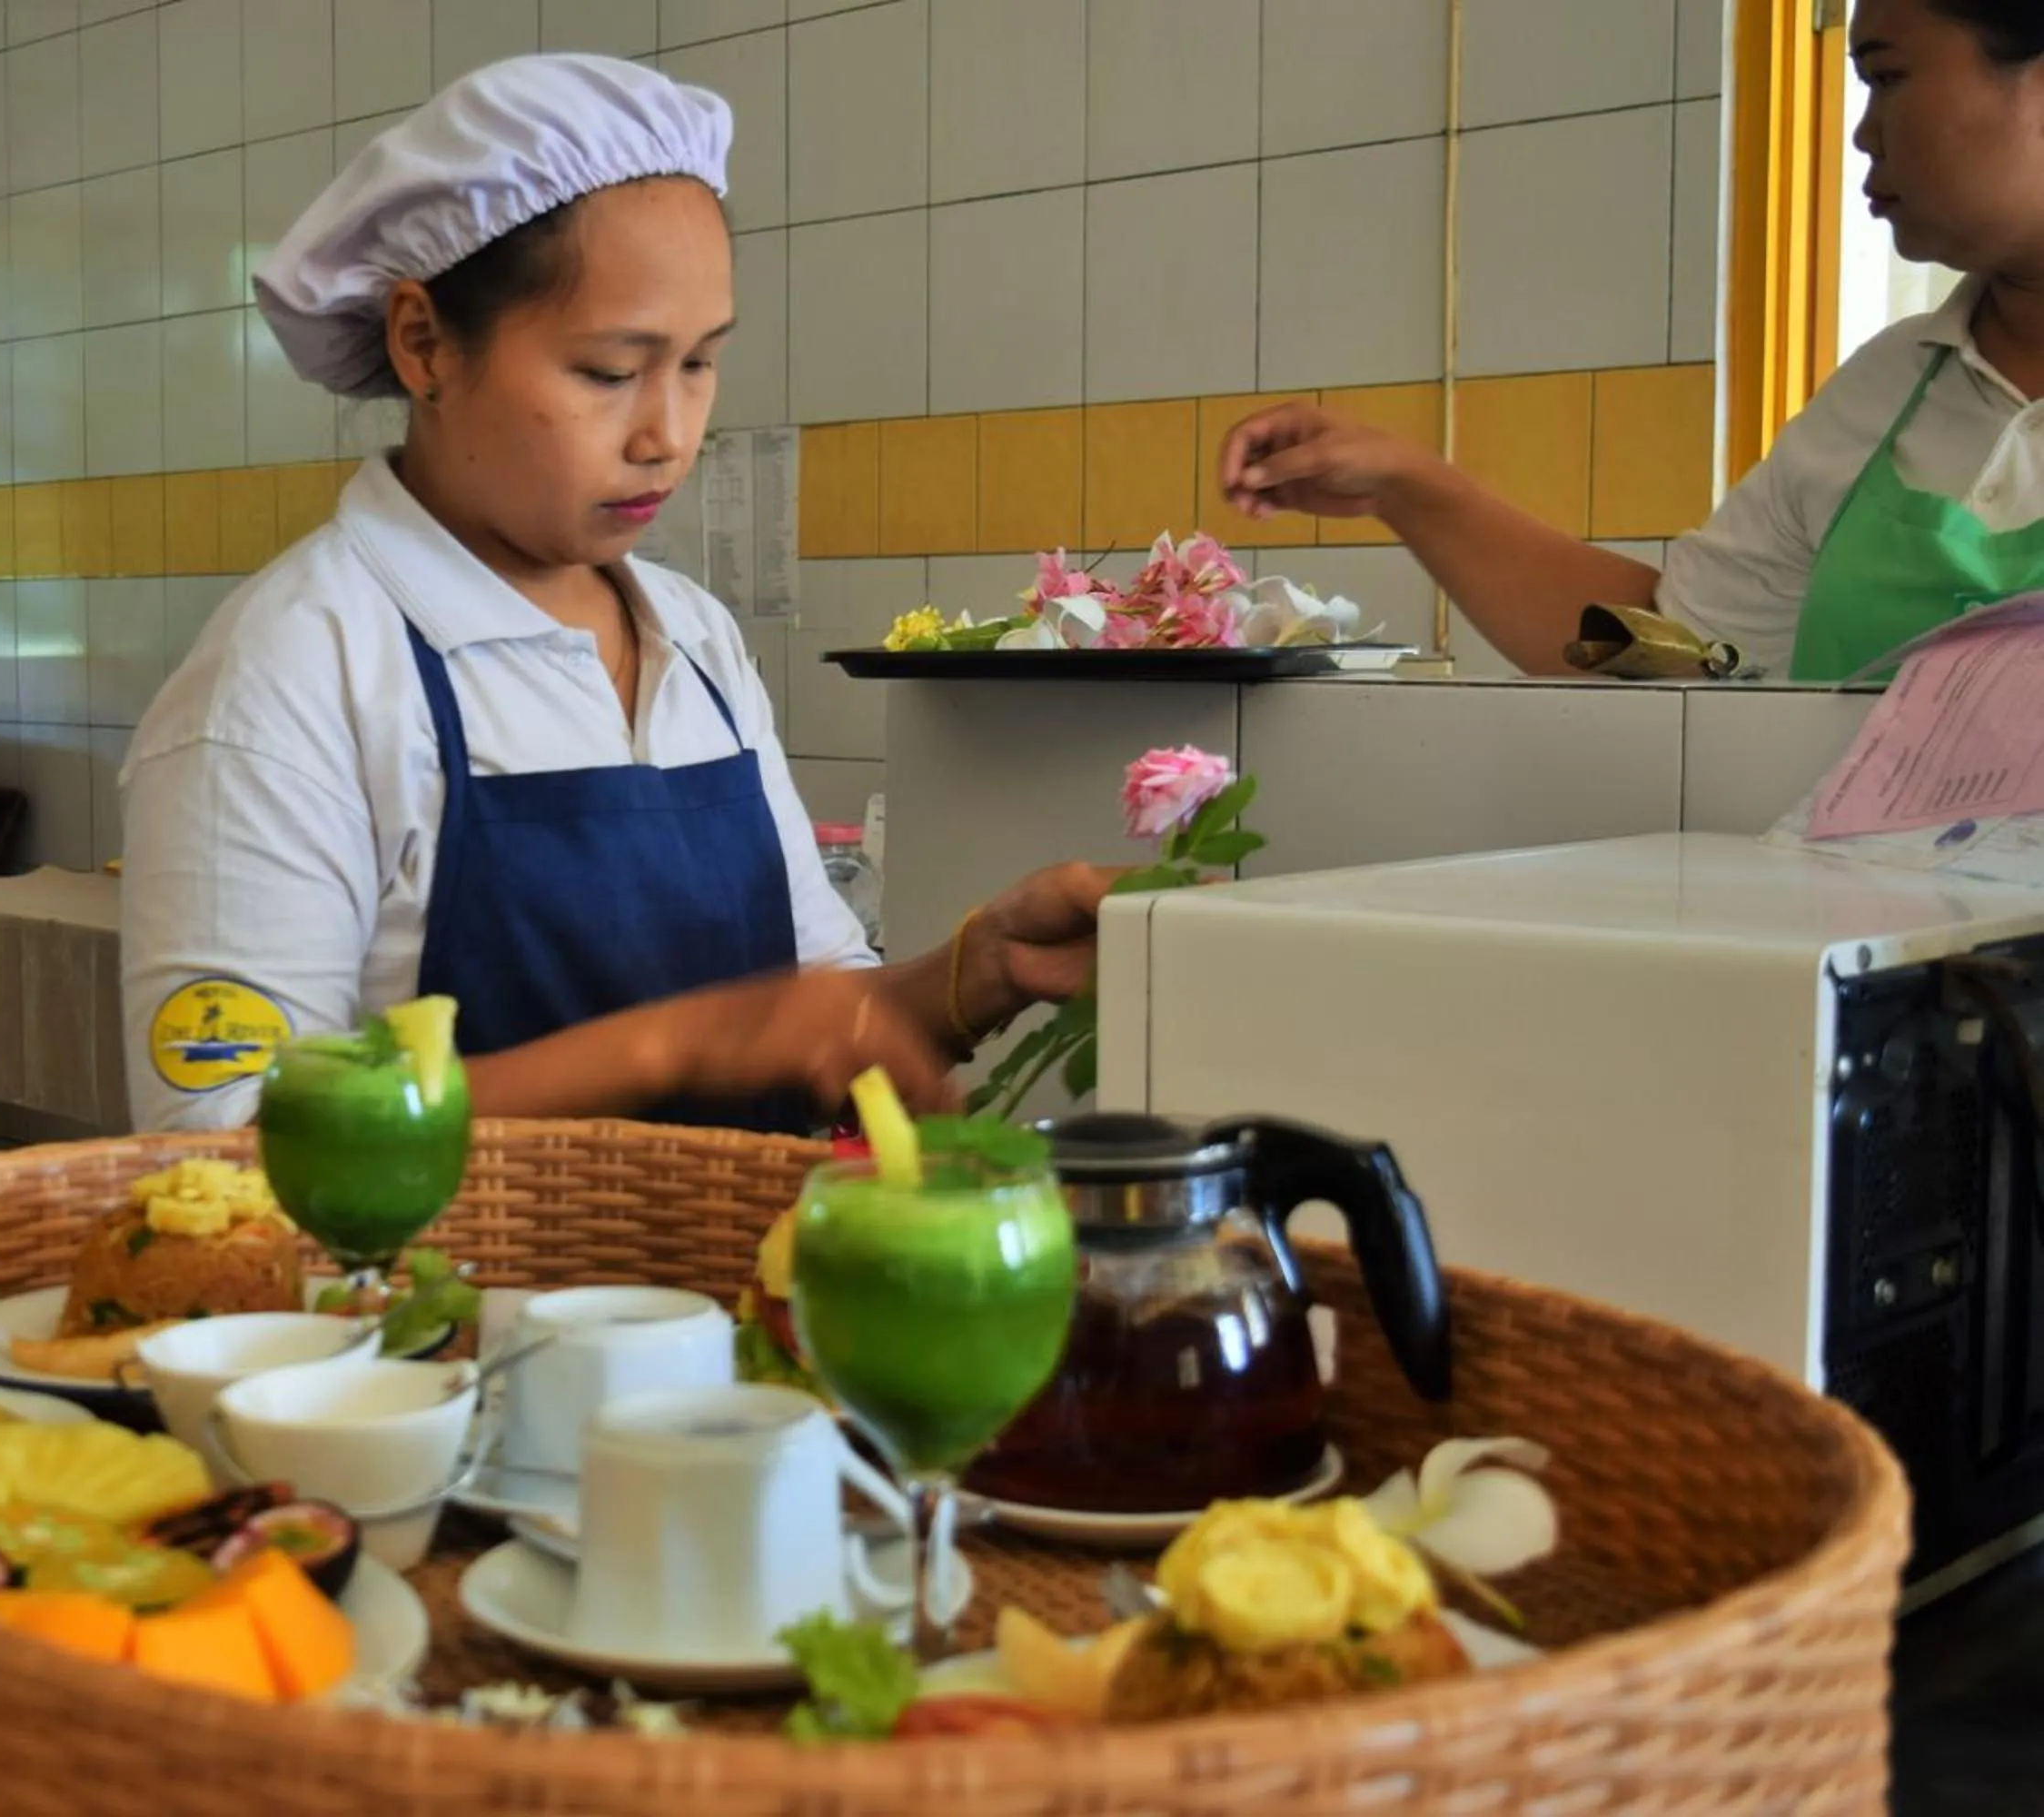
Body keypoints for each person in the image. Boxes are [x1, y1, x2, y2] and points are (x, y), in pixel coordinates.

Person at [121, 54, 1111, 1135]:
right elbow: (223, 1146)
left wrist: (980, 969)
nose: (668, 435)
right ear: (423, 344)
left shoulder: (693, 637)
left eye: (698, 363)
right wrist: (676, 1042)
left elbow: (816, 1014)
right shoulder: (293, 673)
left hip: (757, 1253)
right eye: (608, 371)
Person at [1215, 0, 2044, 682]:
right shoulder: (1887, 390)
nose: (1863, 133)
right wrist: (1406, 484)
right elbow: (1672, 645)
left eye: (1888, 77)